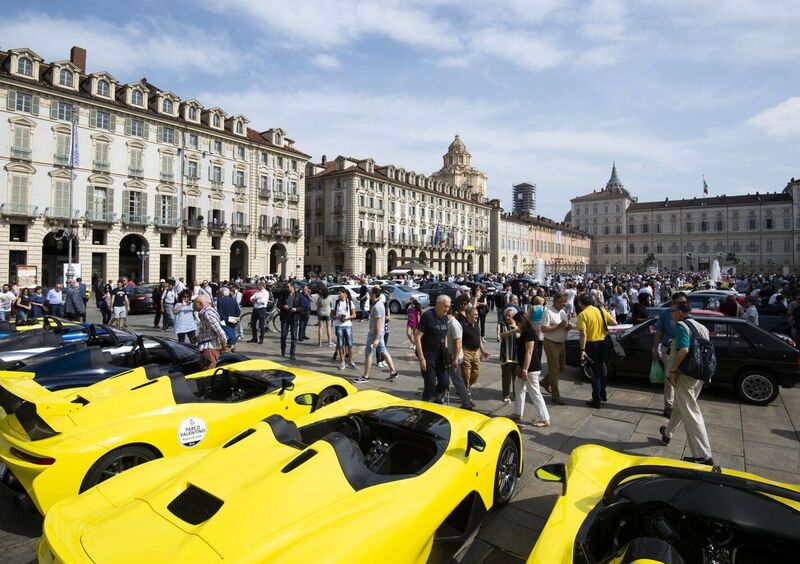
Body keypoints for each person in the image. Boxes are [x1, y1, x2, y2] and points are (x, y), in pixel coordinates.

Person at [658, 301, 714, 465]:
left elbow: (683, 349)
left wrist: (673, 370)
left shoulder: (682, 325)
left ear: (681, 312)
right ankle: (667, 433)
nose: (671, 314)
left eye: (673, 311)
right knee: (681, 407)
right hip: (699, 374)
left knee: (691, 412)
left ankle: (703, 456)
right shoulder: (701, 326)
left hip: (685, 375)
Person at [509, 311, 550, 426]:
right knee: (519, 388)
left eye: (517, 322)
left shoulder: (529, 333)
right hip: (524, 366)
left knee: (535, 393)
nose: (516, 325)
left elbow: (529, 352)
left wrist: (525, 369)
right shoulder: (523, 331)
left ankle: (545, 419)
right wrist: (520, 366)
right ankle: (518, 413)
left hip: (531, 368)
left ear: (522, 321)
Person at [652, 292, 688, 419]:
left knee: (682, 379)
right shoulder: (665, 314)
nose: (682, 305)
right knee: (670, 377)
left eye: (684, 302)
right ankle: (669, 406)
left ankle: (681, 404)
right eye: (680, 302)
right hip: (668, 350)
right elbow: (658, 332)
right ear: (673, 302)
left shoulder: (687, 314)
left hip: (684, 350)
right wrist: (655, 349)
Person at [577, 293, 617, 408]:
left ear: (581, 303)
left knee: (595, 373)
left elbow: (583, 334)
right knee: (601, 371)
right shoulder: (601, 310)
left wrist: (582, 349)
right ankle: (602, 395)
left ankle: (597, 399)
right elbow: (614, 323)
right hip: (603, 344)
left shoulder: (583, 314)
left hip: (591, 345)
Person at [354, 287, 399, 383]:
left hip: (375, 334)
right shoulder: (379, 304)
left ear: (374, 294)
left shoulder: (377, 306)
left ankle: (365, 376)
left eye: (370, 294)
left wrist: (376, 339)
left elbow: (378, 324)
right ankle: (393, 372)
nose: (369, 295)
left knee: (368, 354)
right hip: (379, 334)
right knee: (384, 352)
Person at [415, 294, 452, 403]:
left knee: (445, 382)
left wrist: (445, 350)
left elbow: (444, 335)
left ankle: (433, 399)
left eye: (448, 306)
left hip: (440, 355)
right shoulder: (427, 316)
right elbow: (417, 337)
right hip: (427, 355)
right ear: (438, 304)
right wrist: (421, 359)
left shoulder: (445, 317)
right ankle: (425, 404)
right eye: (445, 306)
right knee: (430, 384)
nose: (447, 309)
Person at [541, 291, 570, 405]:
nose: (564, 304)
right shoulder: (548, 312)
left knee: (561, 367)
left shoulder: (562, 312)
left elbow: (564, 326)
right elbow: (543, 329)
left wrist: (568, 326)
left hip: (561, 343)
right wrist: (558, 326)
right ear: (555, 301)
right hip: (551, 343)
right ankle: (555, 396)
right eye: (562, 302)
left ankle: (545, 382)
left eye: (565, 302)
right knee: (554, 370)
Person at [444, 308, 473, 409]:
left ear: (448, 314)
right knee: (445, 379)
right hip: (450, 356)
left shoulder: (453, 324)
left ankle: (467, 403)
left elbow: (458, 342)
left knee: (457, 381)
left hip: (454, 356)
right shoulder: (449, 323)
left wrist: (455, 358)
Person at [460, 304, 486, 403]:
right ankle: (467, 394)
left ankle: (465, 388)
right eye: (474, 314)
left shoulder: (477, 324)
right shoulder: (462, 325)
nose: (477, 316)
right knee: (466, 375)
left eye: (477, 314)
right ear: (468, 315)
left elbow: (478, 338)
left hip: (476, 352)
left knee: (476, 373)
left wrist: (482, 350)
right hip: (466, 351)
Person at [194, 293, 227, 369]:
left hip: (210, 347)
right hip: (206, 346)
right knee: (205, 368)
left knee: (209, 370)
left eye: (195, 303)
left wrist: (224, 343)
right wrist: (197, 338)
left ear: (200, 304)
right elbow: (205, 330)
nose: (193, 305)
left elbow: (219, 331)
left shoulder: (208, 314)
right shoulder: (204, 312)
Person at [333, 287, 357, 370]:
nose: (338, 295)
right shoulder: (335, 303)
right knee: (340, 345)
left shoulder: (350, 302)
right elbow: (331, 315)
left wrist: (346, 318)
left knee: (350, 345)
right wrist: (338, 317)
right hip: (338, 326)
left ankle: (351, 361)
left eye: (340, 293)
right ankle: (342, 362)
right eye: (338, 293)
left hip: (348, 325)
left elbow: (354, 315)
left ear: (344, 294)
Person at [498, 307, 519, 404]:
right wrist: (513, 331)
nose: (507, 317)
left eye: (509, 316)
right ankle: (506, 395)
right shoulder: (503, 324)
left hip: (517, 355)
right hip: (506, 355)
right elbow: (502, 335)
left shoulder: (519, 325)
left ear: (514, 316)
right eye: (506, 315)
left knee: (516, 376)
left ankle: (516, 394)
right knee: (506, 376)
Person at [279, 281, 299, 359]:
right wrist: (283, 306)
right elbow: (279, 304)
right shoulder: (284, 295)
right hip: (285, 318)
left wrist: (296, 309)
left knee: (294, 336)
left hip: (294, 318)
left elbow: (302, 307)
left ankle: (292, 353)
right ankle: (283, 350)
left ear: (292, 287)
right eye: (286, 287)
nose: (287, 288)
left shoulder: (298, 295)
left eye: (288, 287)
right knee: (283, 335)